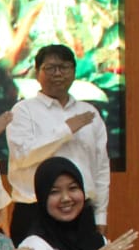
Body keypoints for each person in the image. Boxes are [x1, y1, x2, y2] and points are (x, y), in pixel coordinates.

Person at [6, 43, 110, 239]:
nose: (58, 73)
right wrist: (66, 130)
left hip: (81, 211)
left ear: (74, 72)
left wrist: (100, 215)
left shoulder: (89, 112)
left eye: (64, 67)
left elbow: (101, 168)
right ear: (37, 72)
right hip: (34, 210)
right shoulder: (23, 110)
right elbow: (23, 156)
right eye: (50, 68)